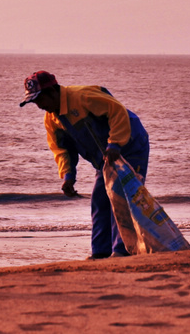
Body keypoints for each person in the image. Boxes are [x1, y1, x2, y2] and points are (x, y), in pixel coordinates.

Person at [20, 71, 149, 258]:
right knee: (99, 200)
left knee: (121, 198)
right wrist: (68, 176)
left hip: (131, 146)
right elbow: (62, 150)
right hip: (105, 158)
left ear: (53, 92)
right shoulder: (52, 119)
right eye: (34, 102)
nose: (39, 106)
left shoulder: (83, 96)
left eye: (40, 100)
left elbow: (117, 111)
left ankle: (122, 250)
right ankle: (101, 251)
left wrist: (115, 143)